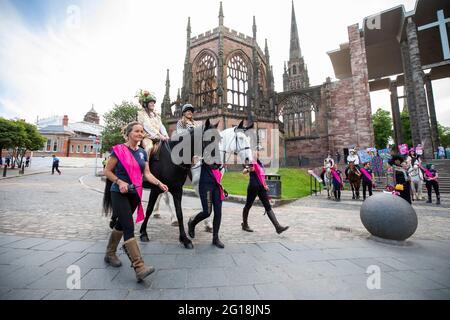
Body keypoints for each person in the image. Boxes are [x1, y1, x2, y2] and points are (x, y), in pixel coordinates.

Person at [102, 121, 168, 282]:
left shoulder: (142, 153)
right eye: (137, 131)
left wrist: (159, 183)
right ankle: (139, 267)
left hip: (134, 194)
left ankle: (110, 254)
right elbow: (107, 171)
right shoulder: (119, 150)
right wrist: (119, 181)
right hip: (119, 192)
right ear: (129, 133)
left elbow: (147, 173)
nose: (140, 134)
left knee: (120, 225)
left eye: (141, 132)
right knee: (129, 227)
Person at [241, 157, 289, 233]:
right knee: (248, 205)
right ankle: (245, 224)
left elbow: (261, 176)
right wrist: (248, 169)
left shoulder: (260, 163)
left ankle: (278, 227)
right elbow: (244, 171)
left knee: (268, 206)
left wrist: (265, 185)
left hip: (261, 187)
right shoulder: (251, 161)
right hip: (253, 187)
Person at [188, 154, 226, 249]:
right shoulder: (205, 150)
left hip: (216, 185)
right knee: (207, 212)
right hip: (206, 186)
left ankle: (215, 238)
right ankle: (192, 223)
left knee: (218, 212)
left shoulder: (218, 152)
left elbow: (218, 167)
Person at [136, 90, 169, 159]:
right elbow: (147, 126)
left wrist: (166, 135)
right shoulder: (142, 114)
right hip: (147, 137)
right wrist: (160, 135)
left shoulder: (156, 115)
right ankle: (145, 167)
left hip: (159, 138)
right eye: (151, 103)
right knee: (149, 147)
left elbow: (161, 126)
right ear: (146, 104)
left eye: (153, 103)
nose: (153, 104)